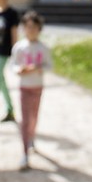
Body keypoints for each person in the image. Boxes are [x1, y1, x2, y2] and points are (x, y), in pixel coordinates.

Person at [12, 10, 53, 170]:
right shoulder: (19, 47)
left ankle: (32, 137)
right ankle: (24, 152)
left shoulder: (43, 48)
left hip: (37, 87)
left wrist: (38, 68)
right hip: (24, 87)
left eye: (34, 27)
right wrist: (20, 70)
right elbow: (13, 65)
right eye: (28, 27)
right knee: (25, 119)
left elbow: (49, 65)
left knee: (34, 117)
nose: (31, 30)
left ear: (39, 29)